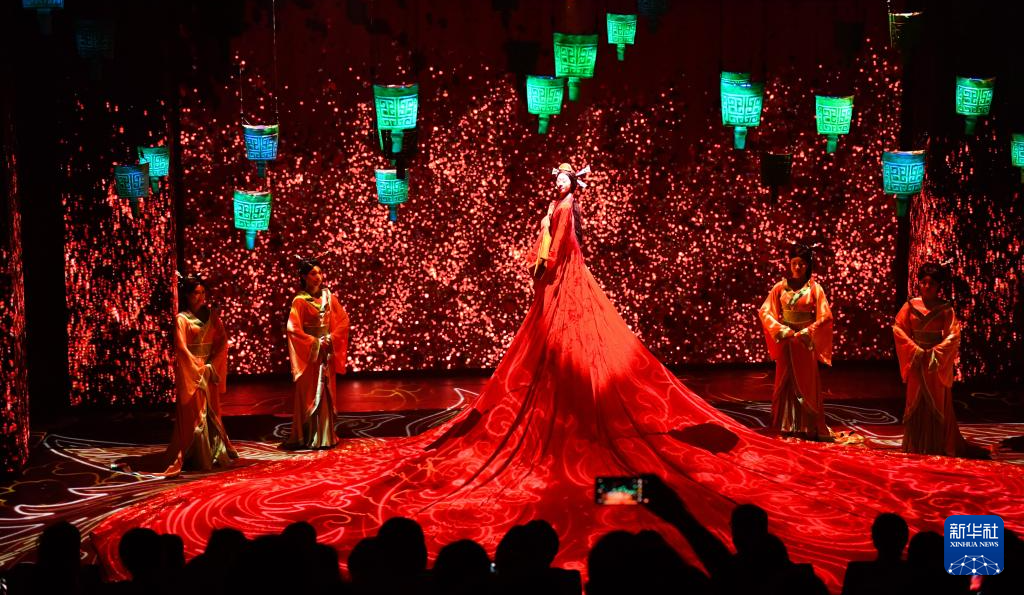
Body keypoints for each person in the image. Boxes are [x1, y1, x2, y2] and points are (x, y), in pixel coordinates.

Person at [92, 163, 1024, 591]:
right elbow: (544, 259)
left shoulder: (558, 226)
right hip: (566, 316)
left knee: (587, 394)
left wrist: (547, 257)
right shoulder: (556, 225)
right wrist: (546, 259)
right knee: (568, 400)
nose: (561, 211)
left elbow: (545, 258)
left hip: (593, 317)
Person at [758, 245, 833, 441]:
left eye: (802, 264)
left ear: (808, 266)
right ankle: (785, 424)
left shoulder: (815, 289)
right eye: (794, 263)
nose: (798, 267)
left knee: (806, 381)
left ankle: (806, 426)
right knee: (785, 379)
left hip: (804, 341)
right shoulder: (780, 287)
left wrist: (808, 331)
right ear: (789, 264)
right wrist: (781, 330)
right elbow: (765, 312)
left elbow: (825, 316)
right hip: (787, 340)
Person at [893, 262, 968, 456]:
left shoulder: (945, 309)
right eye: (924, 282)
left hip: (935, 362)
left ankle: (936, 446)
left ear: (938, 286)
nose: (927, 286)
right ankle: (915, 445)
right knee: (915, 401)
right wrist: (914, 349)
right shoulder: (910, 306)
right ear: (919, 283)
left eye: (932, 283)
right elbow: (898, 329)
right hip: (916, 359)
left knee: (935, 400)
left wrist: (936, 352)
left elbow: (954, 335)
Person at [165, 275, 236, 475]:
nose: (201, 297)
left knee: (212, 410)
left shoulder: (212, 316)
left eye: (203, 292)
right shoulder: (181, 319)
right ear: (187, 295)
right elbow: (181, 347)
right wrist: (197, 366)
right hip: (192, 371)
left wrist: (211, 365)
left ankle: (213, 451)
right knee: (195, 412)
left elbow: (222, 342)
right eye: (196, 293)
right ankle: (194, 454)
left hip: (208, 368)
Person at [286, 258, 349, 449]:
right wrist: (314, 343)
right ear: (304, 276)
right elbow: (293, 329)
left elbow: (343, 320)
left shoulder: (329, 297)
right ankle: (307, 435)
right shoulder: (300, 301)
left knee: (326, 390)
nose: (318, 277)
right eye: (313, 273)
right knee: (310, 393)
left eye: (320, 272)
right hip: (310, 354)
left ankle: (325, 435)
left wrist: (331, 338)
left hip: (326, 351)